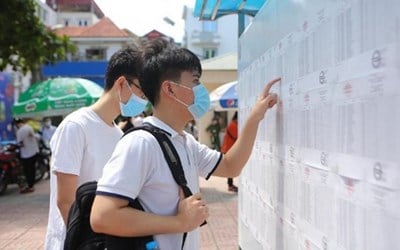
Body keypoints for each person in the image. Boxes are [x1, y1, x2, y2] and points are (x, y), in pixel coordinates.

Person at [90, 38, 280, 250]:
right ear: (170, 89)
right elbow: (102, 216)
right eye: (195, 81)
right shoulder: (141, 143)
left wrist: (254, 117)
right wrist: (179, 223)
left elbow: (230, 165)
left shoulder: (184, 141)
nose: (201, 89)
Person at [44, 46, 148, 250]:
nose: (144, 100)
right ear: (121, 83)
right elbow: (66, 202)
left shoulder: (119, 136)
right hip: (74, 242)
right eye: (142, 92)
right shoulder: (76, 126)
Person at [14, 118, 39, 193]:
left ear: (17, 124)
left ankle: (30, 186)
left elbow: (19, 143)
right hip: (34, 151)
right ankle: (32, 185)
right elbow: (34, 137)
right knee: (32, 169)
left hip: (26, 154)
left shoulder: (19, 131)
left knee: (27, 171)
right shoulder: (29, 127)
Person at [221, 111, 239, 192]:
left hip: (229, 148)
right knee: (230, 166)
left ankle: (230, 184)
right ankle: (230, 185)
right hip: (228, 148)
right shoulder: (233, 125)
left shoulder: (234, 124)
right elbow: (236, 136)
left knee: (230, 166)